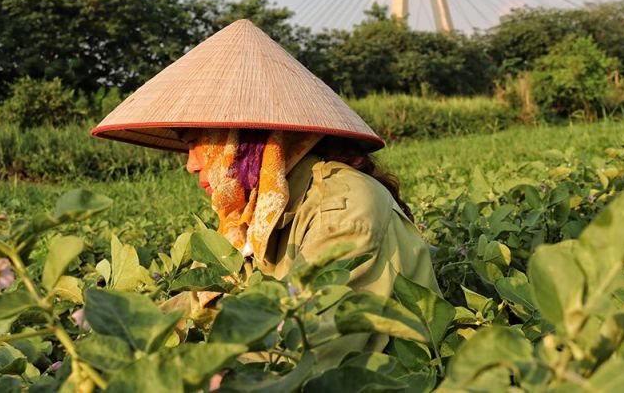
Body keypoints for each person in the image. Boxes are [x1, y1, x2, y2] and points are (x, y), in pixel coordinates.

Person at [91, 19, 438, 366]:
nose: (191, 164)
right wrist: (116, 342)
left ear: (244, 143)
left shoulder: (344, 206)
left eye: (196, 143)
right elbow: (199, 300)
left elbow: (302, 344)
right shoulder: (251, 215)